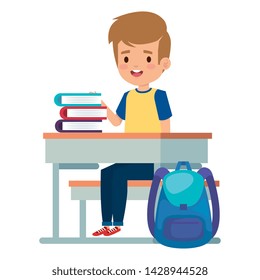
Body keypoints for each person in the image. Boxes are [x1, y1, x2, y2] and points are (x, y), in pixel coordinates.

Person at [92, 11, 172, 236]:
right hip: (133, 157)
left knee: (115, 175)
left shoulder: (159, 96)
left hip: (155, 162)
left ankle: (117, 223)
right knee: (108, 173)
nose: (135, 66)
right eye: (126, 58)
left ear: (163, 63)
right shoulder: (128, 96)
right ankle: (108, 223)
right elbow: (117, 122)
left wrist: (162, 159)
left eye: (147, 58)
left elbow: (166, 129)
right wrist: (103, 107)